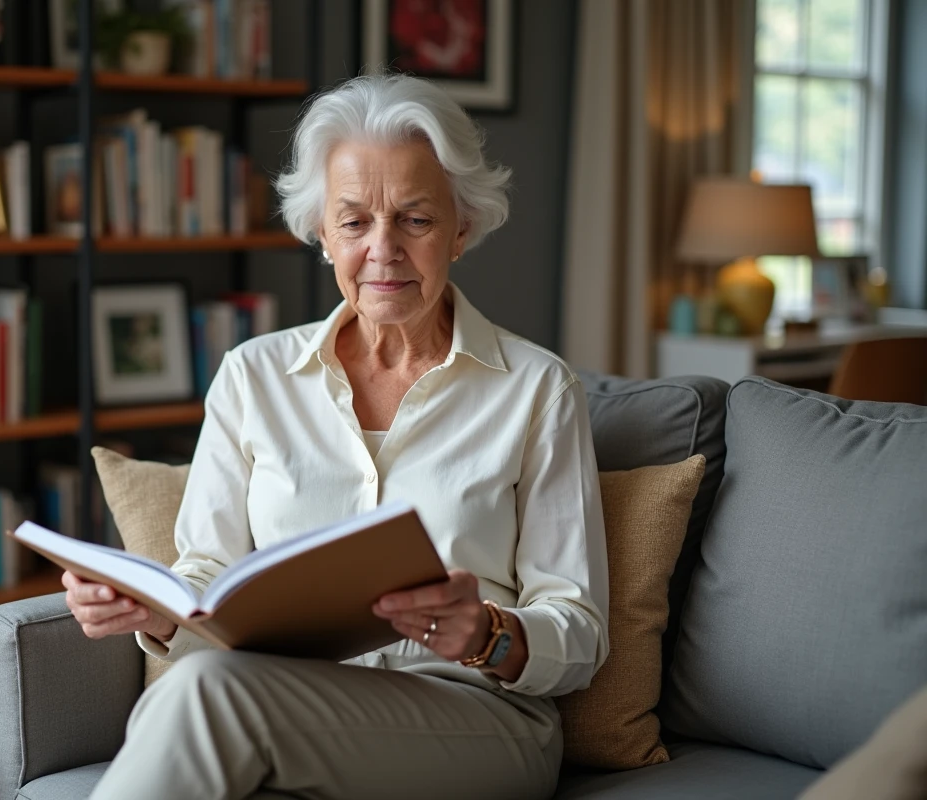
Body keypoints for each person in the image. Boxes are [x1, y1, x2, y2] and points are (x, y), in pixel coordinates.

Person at [70, 73, 610, 800]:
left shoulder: (537, 389)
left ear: (462, 227)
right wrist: (157, 612)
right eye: (354, 222)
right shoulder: (252, 376)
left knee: (208, 694)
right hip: (298, 703)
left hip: (478, 719)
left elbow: (579, 633)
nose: (382, 250)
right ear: (322, 234)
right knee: (203, 680)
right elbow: (207, 578)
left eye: (415, 220)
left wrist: (486, 633)